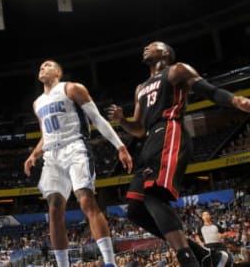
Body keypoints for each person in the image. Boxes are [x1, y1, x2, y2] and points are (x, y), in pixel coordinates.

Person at [108, 41, 250, 267]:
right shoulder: (140, 87)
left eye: (151, 46)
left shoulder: (176, 70)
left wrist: (236, 101)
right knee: (135, 210)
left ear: (164, 52)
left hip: (170, 130)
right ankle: (208, 256)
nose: (145, 48)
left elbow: (209, 90)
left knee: (153, 195)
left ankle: (189, 261)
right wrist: (123, 120)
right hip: (150, 139)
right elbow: (139, 128)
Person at [23, 60, 133, 267]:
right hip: (51, 155)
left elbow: (98, 119)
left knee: (85, 200)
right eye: (40, 66)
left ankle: (110, 262)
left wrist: (120, 146)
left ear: (58, 72)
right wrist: (34, 155)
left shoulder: (72, 88)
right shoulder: (37, 103)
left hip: (75, 147)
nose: (42, 67)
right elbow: (45, 134)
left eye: (47, 65)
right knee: (54, 209)